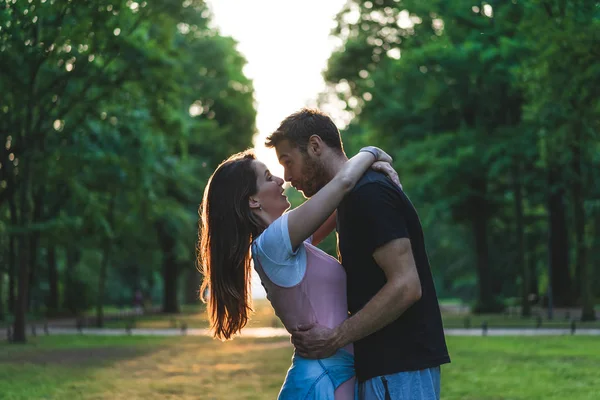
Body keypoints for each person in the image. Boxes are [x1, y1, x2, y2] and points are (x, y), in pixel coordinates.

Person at [266, 108, 451, 400]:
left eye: (289, 162)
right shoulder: (349, 200)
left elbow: (406, 286)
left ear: (315, 146)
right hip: (381, 365)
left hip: (399, 367)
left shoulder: (369, 194)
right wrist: (371, 156)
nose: (287, 177)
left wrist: (336, 337)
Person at [197, 146, 400, 399]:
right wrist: (371, 153)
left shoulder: (285, 244)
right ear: (253, 200)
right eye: (269, 177)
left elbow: (341, 200)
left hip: (331, 374)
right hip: (322, 380)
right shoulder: (273, 243)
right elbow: (343, 183)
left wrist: (369, 173)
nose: (282, 180)